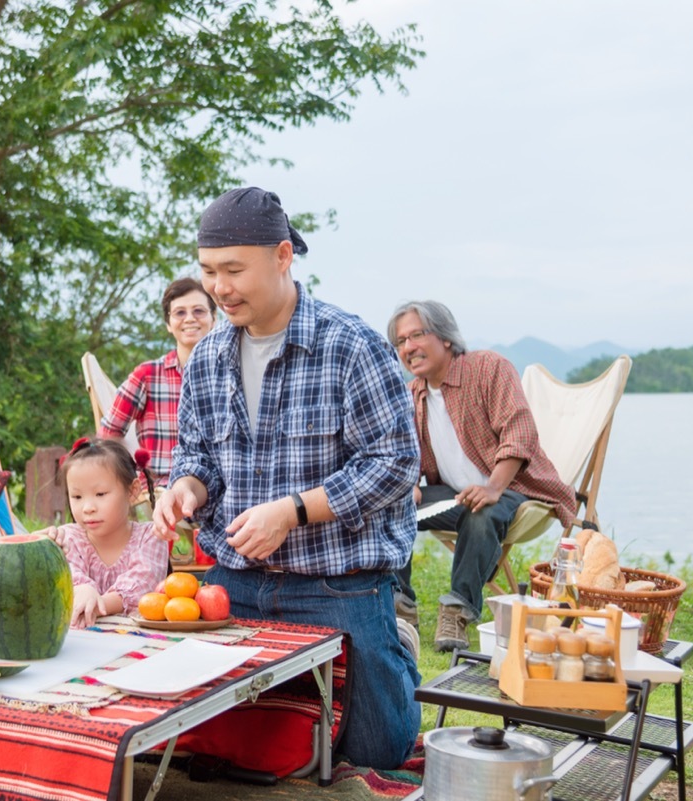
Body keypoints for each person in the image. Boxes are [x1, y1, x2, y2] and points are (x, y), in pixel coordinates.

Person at [152, 187, 422, 770]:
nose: (218, 288)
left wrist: (293, 512)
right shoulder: (206, 357)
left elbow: (397, 463)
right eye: (207, 271)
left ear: (282, 257)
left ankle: (392, 641)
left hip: (337, 585)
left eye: (233, 270)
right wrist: (186, 490)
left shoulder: (351, 346)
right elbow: (196, 456)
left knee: (379, 751)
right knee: (217, 752)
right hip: (235, 583)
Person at [388, 300, 577, 653]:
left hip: (514, 488)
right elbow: (404, 451)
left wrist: (492, 487)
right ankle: (400, 605)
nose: (408, 348)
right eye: (400, 342)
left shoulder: (488, 368)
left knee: (481, 512)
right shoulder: (413, 393)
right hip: (453, 495)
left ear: (445, 337)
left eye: (416, 335)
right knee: (388, 503)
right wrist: (410, 484)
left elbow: (519, 433)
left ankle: (458, 609)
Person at [99, 277, 217, 483]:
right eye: (180, 312)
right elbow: (109, 433)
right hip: (163, 489)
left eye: (198, 311)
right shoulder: (147, 375)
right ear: (168, 324)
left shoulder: (229, 374)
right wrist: (136, 479)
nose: (189, 318)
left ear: (214, 318)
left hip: (218, 489)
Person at [43, 438, 170, 627]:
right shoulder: (68, 538)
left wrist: (96, 603)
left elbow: (142, 586)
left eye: (100, 494)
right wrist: (81, 589)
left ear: (132, 491)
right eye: (77, 496)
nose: (87, 507)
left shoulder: (151, 537)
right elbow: (66, 577)